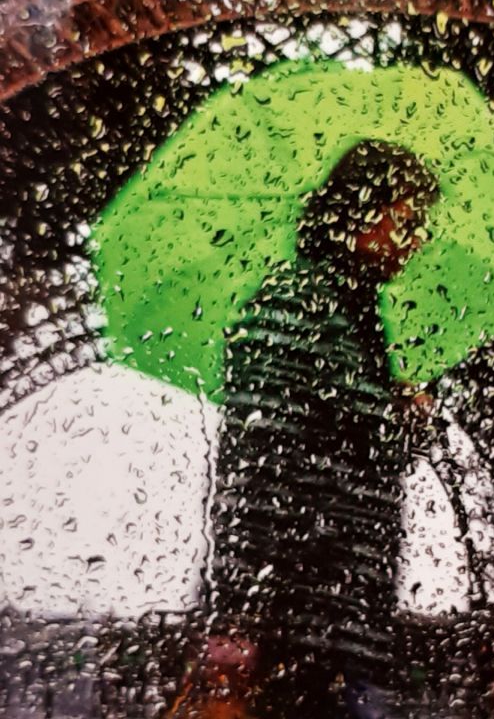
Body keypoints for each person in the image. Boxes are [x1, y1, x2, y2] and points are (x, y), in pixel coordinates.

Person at [166, 140, 438, 718]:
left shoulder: (350, 317)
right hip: (299, 633)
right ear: (363, 211)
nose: (416, 240)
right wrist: (237, 620)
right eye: (407, 220)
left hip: (341, 631)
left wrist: (392, 408)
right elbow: (254, 472)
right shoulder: (299, 305)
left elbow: (342, 449)